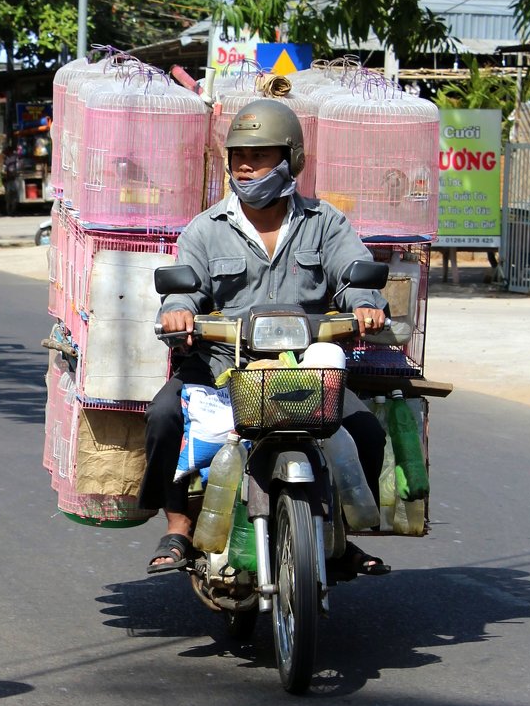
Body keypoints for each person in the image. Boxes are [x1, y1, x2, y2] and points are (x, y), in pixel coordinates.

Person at [140, 99, 392, 580]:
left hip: (307, 372)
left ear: (291, 160)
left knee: (366, 431)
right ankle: (177, 524)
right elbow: (183, 289)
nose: (246, 167)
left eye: (260, 156)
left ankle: (338, 534)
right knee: (165, 416)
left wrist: (365, 302)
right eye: (238, 157)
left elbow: (354, 272)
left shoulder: (325, 222)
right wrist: (177, 313)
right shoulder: (205, 229)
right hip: (221, 368)